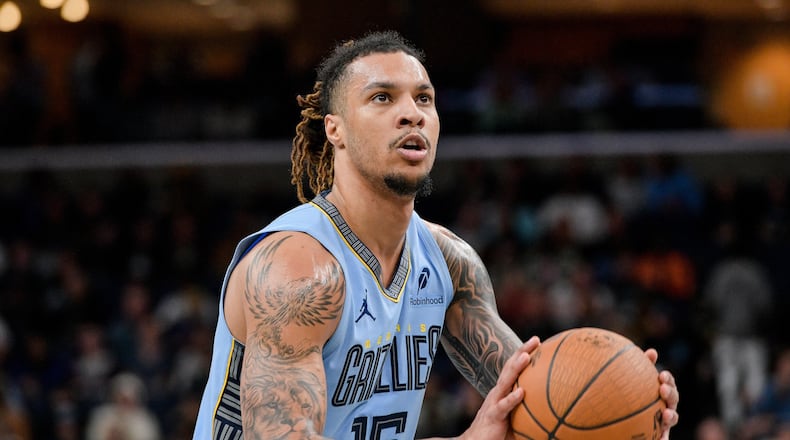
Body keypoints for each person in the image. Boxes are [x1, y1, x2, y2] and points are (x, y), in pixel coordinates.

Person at [192, 30, 680, 439]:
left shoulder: (449, 261)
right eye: (382, 97)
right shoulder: (298, 268)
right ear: (334, 130)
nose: (413, 113)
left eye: (424, 98)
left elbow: (536, 400)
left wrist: (630, 401)